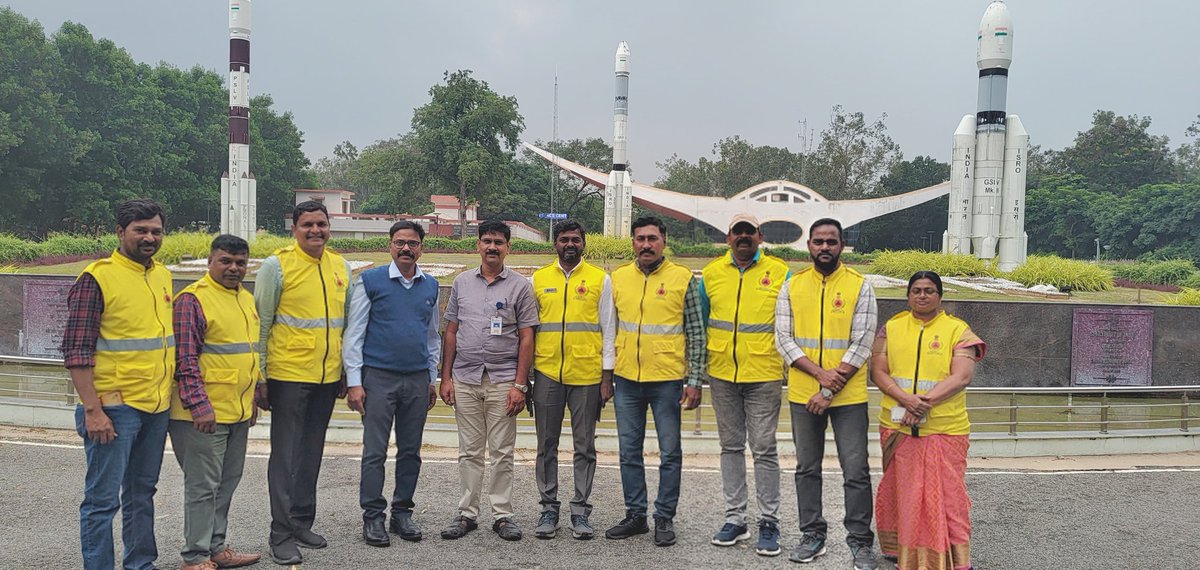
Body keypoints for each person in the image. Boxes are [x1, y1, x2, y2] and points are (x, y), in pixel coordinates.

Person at [62, 199, 174, 570]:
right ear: (120, 232)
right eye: (140, 230)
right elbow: (76, 352)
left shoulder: (161, 275)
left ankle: (140, 564)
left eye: (155, 231)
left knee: (142, 494)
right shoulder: (97, 278)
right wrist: (93, 410)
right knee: (102, 501)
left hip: (155, 408)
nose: (149, 237)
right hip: (113, 409)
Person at [775, 218, 879, 569]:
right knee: (806, 468)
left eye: (830, 242)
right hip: (805, 395)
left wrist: (830, 388)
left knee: (856, 469)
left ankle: (860, 542)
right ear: (808, 246)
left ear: (841, 245)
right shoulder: (792, 286)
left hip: (848, 398)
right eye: (818, 241)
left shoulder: (859, 285)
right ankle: (812, 534)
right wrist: (821, 378)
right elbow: (784, 340)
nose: (824, 248)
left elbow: (863, 341)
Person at [253, 200, 352, 565]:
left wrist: (344, 371)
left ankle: (300, 522)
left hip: (327, 377)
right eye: (307, 224)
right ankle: (280, 534)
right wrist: (259, 377)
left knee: (311, 453)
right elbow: (261, 324)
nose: (315, 231)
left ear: (330, 227)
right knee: (285, 457)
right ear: (293, 228)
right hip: (288, 376)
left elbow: (346, 325)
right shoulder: (277, 266)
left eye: (321, 224)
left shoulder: (340, 266)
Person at [871, 271, 985, 570]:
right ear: (908, 295)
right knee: (902, 493)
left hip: (944, 430)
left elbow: (962, 376)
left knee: (949, 498)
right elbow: (878, 371)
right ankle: (900, 551)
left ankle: (956, 560)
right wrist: (906, 399)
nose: (922, 296)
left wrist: (922, 404)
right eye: (916, 290)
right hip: (897, 428)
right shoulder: (891, 328)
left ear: (940, 296)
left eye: (929, 291)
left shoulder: (958, 331)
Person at [605, 215, 706, 547]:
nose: (645, 244)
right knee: (628, 452)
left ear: (664, 240)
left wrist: (694, 380)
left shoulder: (683, 279)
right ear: (632, 242)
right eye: (640, 239)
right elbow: (609, 329)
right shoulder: (618, 278)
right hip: (627, 380)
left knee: (670, 452)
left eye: (652, 238)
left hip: (668, 380)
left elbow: (695, 332)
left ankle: (664, 516)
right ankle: (636, 515)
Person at [439, 220, 539, 542]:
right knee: (469, 451)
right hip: (466, 378)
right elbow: (451, 332)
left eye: (498, 241)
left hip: (503, 381)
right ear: (477, 245)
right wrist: (446, 378)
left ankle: (502, 515)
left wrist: (519, 385)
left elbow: (526, 337)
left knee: (501, 451)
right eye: (487, 241)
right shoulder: (461, 283)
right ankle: (467, 514)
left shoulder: (520, 286)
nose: (492, 247)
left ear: (508, 247)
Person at [343, 221, 441, 547]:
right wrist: (354, 383)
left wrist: (431, 378)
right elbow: (354, 335)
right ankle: (373, 516)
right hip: (378, 378)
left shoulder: (431, 286)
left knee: (411, 451)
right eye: (399, 243)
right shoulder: (370, 282)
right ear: (390, 245)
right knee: (375, 451)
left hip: (415, 379)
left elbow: (431, 337)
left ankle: (402, 512)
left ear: (421, 248)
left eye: (412, 243)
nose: (406, 249)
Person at [168, 234, 262, 569]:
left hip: (235, 411)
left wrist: (251, 399)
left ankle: (216, 548)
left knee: (226, 483)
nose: (234, 268)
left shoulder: (245, 299)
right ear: (210, 262)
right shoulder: (192, 300)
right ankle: (194, 557)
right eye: (226, 261)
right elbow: (185, 360)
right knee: (202, 487)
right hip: (201, 414)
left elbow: (247, 355)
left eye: (240, 262)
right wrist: (199, 406)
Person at [698, 214, 790, 557]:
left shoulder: (781, 274)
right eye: (738, 232)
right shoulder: (710, 275)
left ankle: (769, 521)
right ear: (728, 237)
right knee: (730, 446)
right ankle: (735, 518)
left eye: (749, 232)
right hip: (722, 372)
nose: (743, 237)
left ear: (760, 237)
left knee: (764, 447)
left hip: (763, 373)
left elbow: (788, 324)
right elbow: (700, 323)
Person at [529, 220, 615, 540]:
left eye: (575, 240)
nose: (570, 244)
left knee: (584, 447)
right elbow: (529, 332)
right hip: (548, 374)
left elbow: (609, 331)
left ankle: (580, 510)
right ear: (555, 244)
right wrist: (528, 376)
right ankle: (549, 507)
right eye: (564, 239)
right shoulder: (537, 280)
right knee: (546, 445)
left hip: (587, 377)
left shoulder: (599, 280)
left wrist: (607, 377)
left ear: (584, 244)